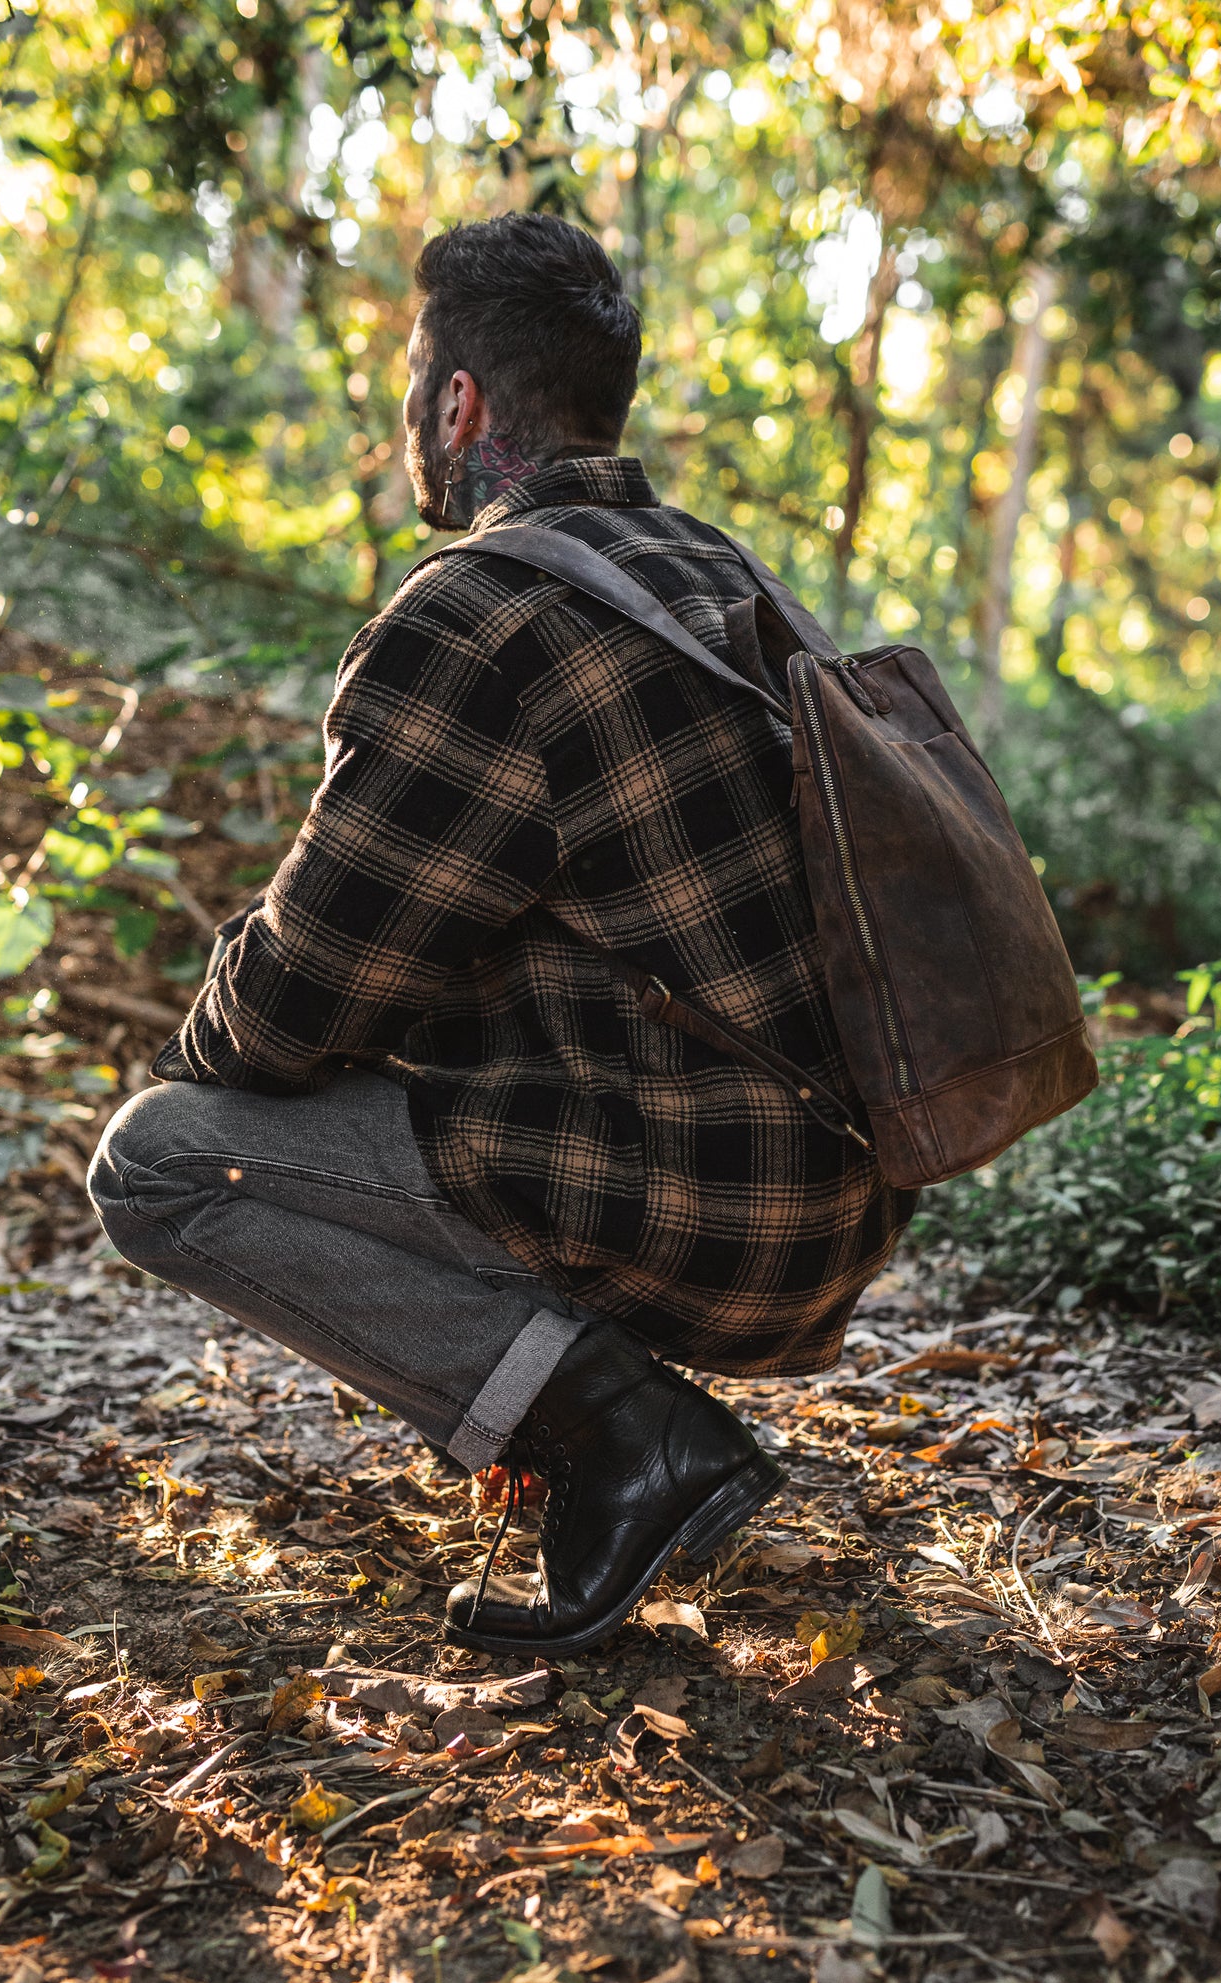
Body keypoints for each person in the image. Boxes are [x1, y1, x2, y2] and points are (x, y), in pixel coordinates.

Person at [87, 212, 914, 1657]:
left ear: (456, 401)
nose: (407, 414)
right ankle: (582, 1405)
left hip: (705, 1209)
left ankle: (628, 1438)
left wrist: (205, 1027)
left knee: (160, 1159)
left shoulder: (475, 614)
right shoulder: (719, 580)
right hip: (847, 1202)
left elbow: (288, 1013)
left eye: (414, 381)